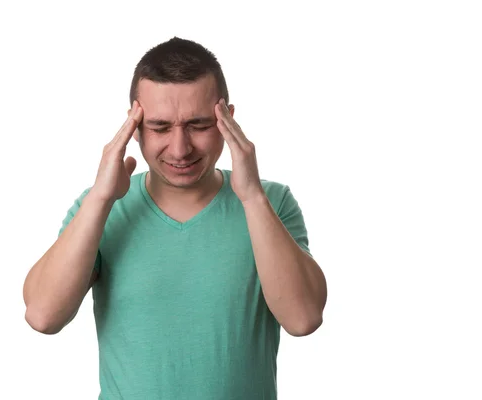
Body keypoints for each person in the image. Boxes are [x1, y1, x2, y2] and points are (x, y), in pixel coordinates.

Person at [23, 37, 327, 399]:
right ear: (134, 128)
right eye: (160, 127)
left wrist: (252, 197)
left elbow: (304, 319)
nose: (180, 149)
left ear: (227, 118)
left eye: (198, 125)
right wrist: (101, 198)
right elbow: (42, 316)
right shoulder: (99, 208)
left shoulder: (271, 202)